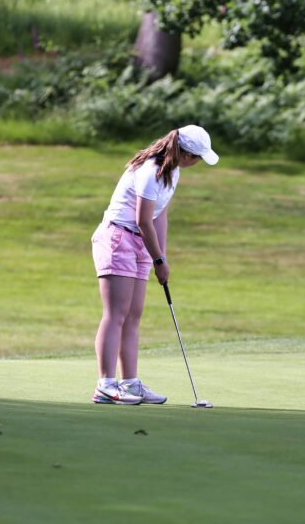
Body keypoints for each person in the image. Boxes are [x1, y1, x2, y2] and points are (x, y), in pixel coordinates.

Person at [90, 125, 218, 405]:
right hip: (118, 238)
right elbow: (142, 219)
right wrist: (157, 259)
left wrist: (162, 256)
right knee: (116, 314)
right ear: (184, 154)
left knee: (134, 315)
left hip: (140, 243)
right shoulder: (151, 172)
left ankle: (130, 383)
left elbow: (160, 216)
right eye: (197, 158)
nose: (197, 163)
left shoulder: (173, 172)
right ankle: (106, 385)